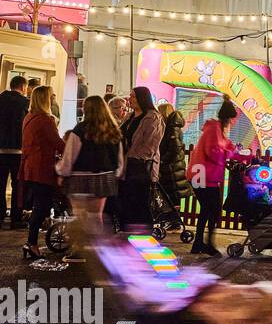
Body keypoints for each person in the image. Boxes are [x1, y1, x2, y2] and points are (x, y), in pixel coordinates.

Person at [55, 94, 124, 233]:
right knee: (96, 216)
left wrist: (61, 172)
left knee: (79, 216)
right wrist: (115, 173)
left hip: (79, 177)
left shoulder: (80, 130)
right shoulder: (113, 130)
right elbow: (119, 158)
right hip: (103, 177)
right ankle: (96, 246)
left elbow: (70, 156)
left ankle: (79, 248)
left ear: (85, 109)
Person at [188, 98, 240, 255]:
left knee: (209, 209)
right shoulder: (214, 129)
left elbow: (223, 145)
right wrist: (231, 153)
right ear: (229, 118)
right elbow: (214, 152)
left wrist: (233, 149)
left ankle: (200, 243)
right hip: (202, 175)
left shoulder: (217, 129)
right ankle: (205, 243)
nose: (234, 122)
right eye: (233, 119)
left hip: (203, 175)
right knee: (211, 209)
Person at [18, 86, 62, 260]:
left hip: (31, 166)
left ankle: (31, 241)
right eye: (51, 96)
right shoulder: (45, 119)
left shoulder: (29, 117)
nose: (53, 98)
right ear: (45, 99)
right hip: (42, 167)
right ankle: (32, 243)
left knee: (39, 204)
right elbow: (57, 142)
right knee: (42, 206)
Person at [118, 86, 163, 231]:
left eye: (133, 96)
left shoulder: (153, 118)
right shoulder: (129, 117)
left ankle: (142, 230)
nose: (129, 99)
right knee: (126, 199)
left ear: (142, 98)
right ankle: (126, 228)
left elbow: (150, 145)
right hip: (125, 164)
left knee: (139, 200)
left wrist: (134, 157)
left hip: (141, 165)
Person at [156, 102, 192, 229]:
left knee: (171, 193)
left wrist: (162, 160)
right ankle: (173, 219)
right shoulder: (171, 127)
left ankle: (173, 219)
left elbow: (174, 148)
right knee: (170, 194)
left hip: (171, 167)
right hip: (173, 166)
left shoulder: (172, 128)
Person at [0, 76, 28, 229]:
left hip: (0, 150)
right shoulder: (25, 103)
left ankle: (0, 214)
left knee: (0, 183)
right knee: (18, 185)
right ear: (23, 87)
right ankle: (16, 218)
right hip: (18, 150)